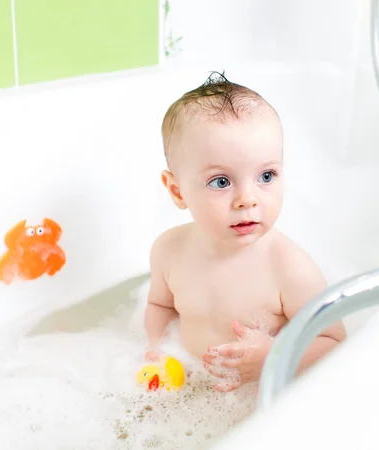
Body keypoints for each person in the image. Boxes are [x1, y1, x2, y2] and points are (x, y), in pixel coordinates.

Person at [144, 71, 346, 392]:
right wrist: (157, 350)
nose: (247, 200)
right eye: (221, 181)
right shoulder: (168, 250)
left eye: (266, 176)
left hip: (262, 392)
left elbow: (334, 340)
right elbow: (160, 306)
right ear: (178, 191)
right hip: (191, 379)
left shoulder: (287, 267)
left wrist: (276, 357)